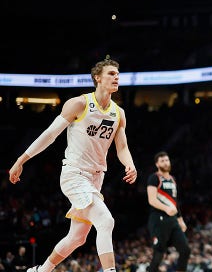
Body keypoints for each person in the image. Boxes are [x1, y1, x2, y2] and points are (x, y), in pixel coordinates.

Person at [8, 58, 138, 272]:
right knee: (106, 221)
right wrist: (21, 160)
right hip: (74, 174)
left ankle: (41, 270)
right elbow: (50, 135)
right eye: (111, 74)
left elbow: (122, 148)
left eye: (117, 74)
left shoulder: (118, 113)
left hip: (96, 178)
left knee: (77, 237)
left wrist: (130, 165)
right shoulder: (80, 103)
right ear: (97, 78)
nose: (117, 77)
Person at [146, 151, 191, 272]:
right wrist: (166, 208)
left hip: (173, 220)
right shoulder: (154, 178)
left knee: (185, 250)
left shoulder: (172, 179)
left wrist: (181, 220)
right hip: (158, 219)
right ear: (157, 164)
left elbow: (175, 202)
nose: (165, 163)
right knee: (159, 254)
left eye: (167, 160)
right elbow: (152, 200)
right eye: (162, 161)